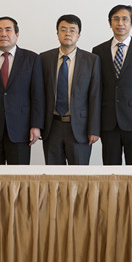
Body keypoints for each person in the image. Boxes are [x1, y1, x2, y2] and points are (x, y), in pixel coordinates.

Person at [0, 16, 45, 165]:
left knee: (19, 177)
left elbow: (38, 96)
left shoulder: (32, 59)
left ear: (17, 34)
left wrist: (36, 125)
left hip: (21, 130)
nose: (3, 34)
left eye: (8, 30)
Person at [91, 4, 132, 165]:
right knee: (111, 170)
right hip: (108, 121)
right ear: (110, 23)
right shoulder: (98, 51)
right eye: (116, 19)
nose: (120, 23)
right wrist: (94, 123)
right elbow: (96, 89)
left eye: (125, 19)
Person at [40, 14, 101, 165]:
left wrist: (94, 129)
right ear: (57, 34)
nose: (68, 33)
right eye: (63, 30)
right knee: (54, 175)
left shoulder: (91, 60)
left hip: (80, 128)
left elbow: (95, 96)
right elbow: (39, 95)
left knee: (79, 175)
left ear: (78, 35)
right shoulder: (44, 58)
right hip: (52, 126)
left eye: (72, 30)